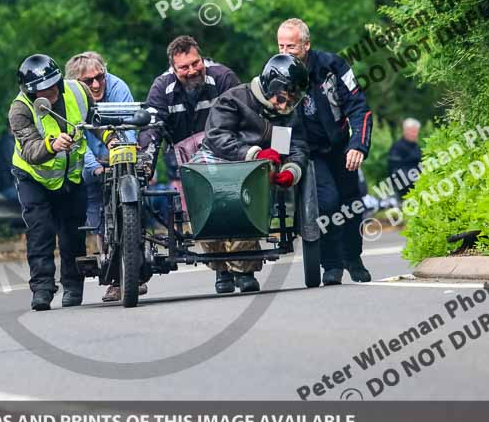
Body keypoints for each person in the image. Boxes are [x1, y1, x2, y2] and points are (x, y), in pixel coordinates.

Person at [195, 54, 310, 293]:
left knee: (251, 195)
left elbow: (292, 147)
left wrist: (290, 170)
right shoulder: (234, 99)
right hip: (219, 162)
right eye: (282, 97)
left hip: (254, 174)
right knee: (209, 201)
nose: (285, 105)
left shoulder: (285, 116)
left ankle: (244, 269)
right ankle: (222, 270)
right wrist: (254, 153)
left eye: (291, 100)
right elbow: (217, 136)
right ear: (271, 85)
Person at [277, 18, 373, 285]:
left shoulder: (334, 66)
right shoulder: (275, 72)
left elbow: (359, 108)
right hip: (308, 153)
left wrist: (358, 146)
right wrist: (278, 156)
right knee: (327, 202)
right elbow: (274, 118)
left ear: (306, 45)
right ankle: (331, 264)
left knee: (351, 203)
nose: (285, 52)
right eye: (281, 46)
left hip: (341, 147)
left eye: (292, 47)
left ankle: (353, 257)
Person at [10, 53, 109, 311]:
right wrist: (52, 145)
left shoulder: (79, 92)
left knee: (72, 233)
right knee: (40, 231)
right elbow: (30, 149)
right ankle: (42, 289)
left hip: (71, 176)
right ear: (30, 91)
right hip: (34, 177)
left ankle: (73, 286)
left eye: (53, 85)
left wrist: (111, 137)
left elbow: (94, 121)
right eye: (41, 89)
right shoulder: (20, 109)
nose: (49, 91)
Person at [65, 51, 141, 302]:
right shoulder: (68, 99)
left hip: (118, 153)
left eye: (100, 77)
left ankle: (134, 268)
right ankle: (112, 275)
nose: (97, 84)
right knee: (97, 210)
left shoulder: (118, 87)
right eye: (89, 81)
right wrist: (93, 167)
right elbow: (75, 141)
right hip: (89, 162)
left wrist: (126, 153)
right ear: (77, 84)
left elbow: (130, 124)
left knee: (136, 198)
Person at [139, 35, 241, 173]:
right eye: (184, 67)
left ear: (202, 59)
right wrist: (146, 163)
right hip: (182, 162)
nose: (192, 71)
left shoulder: (223, 78)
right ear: (173, 70)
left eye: (196, 63)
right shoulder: (162, 87)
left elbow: (242, 119)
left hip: (225, 157)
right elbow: (151, 127)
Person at [388, 118, 422, 200]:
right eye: (413, 131)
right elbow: (395, 171)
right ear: (405, 131)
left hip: (418, 183)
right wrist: (416, 178)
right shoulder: (397, 148)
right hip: (403, 187)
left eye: (417, 132)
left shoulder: (416, 147)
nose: (415, 134)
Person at [0, 125, 18, 203]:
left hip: (7, 187)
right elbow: (13, 169)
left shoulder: (5, 141)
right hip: (9, 188)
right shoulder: (8, 144)